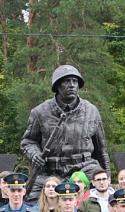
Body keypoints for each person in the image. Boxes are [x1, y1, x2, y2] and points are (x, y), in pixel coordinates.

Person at [21, 65, 110, 202]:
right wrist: (35, 155)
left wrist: (107, 176)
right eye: (66, 81)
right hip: (51, 172)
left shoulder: (92, 111)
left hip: (85, 168)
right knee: (31, 202)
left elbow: (101, 149)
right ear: (57, 85)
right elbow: (28, 142)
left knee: (105, 200)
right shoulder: (40, 112)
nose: (72, 85)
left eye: (75, 81)